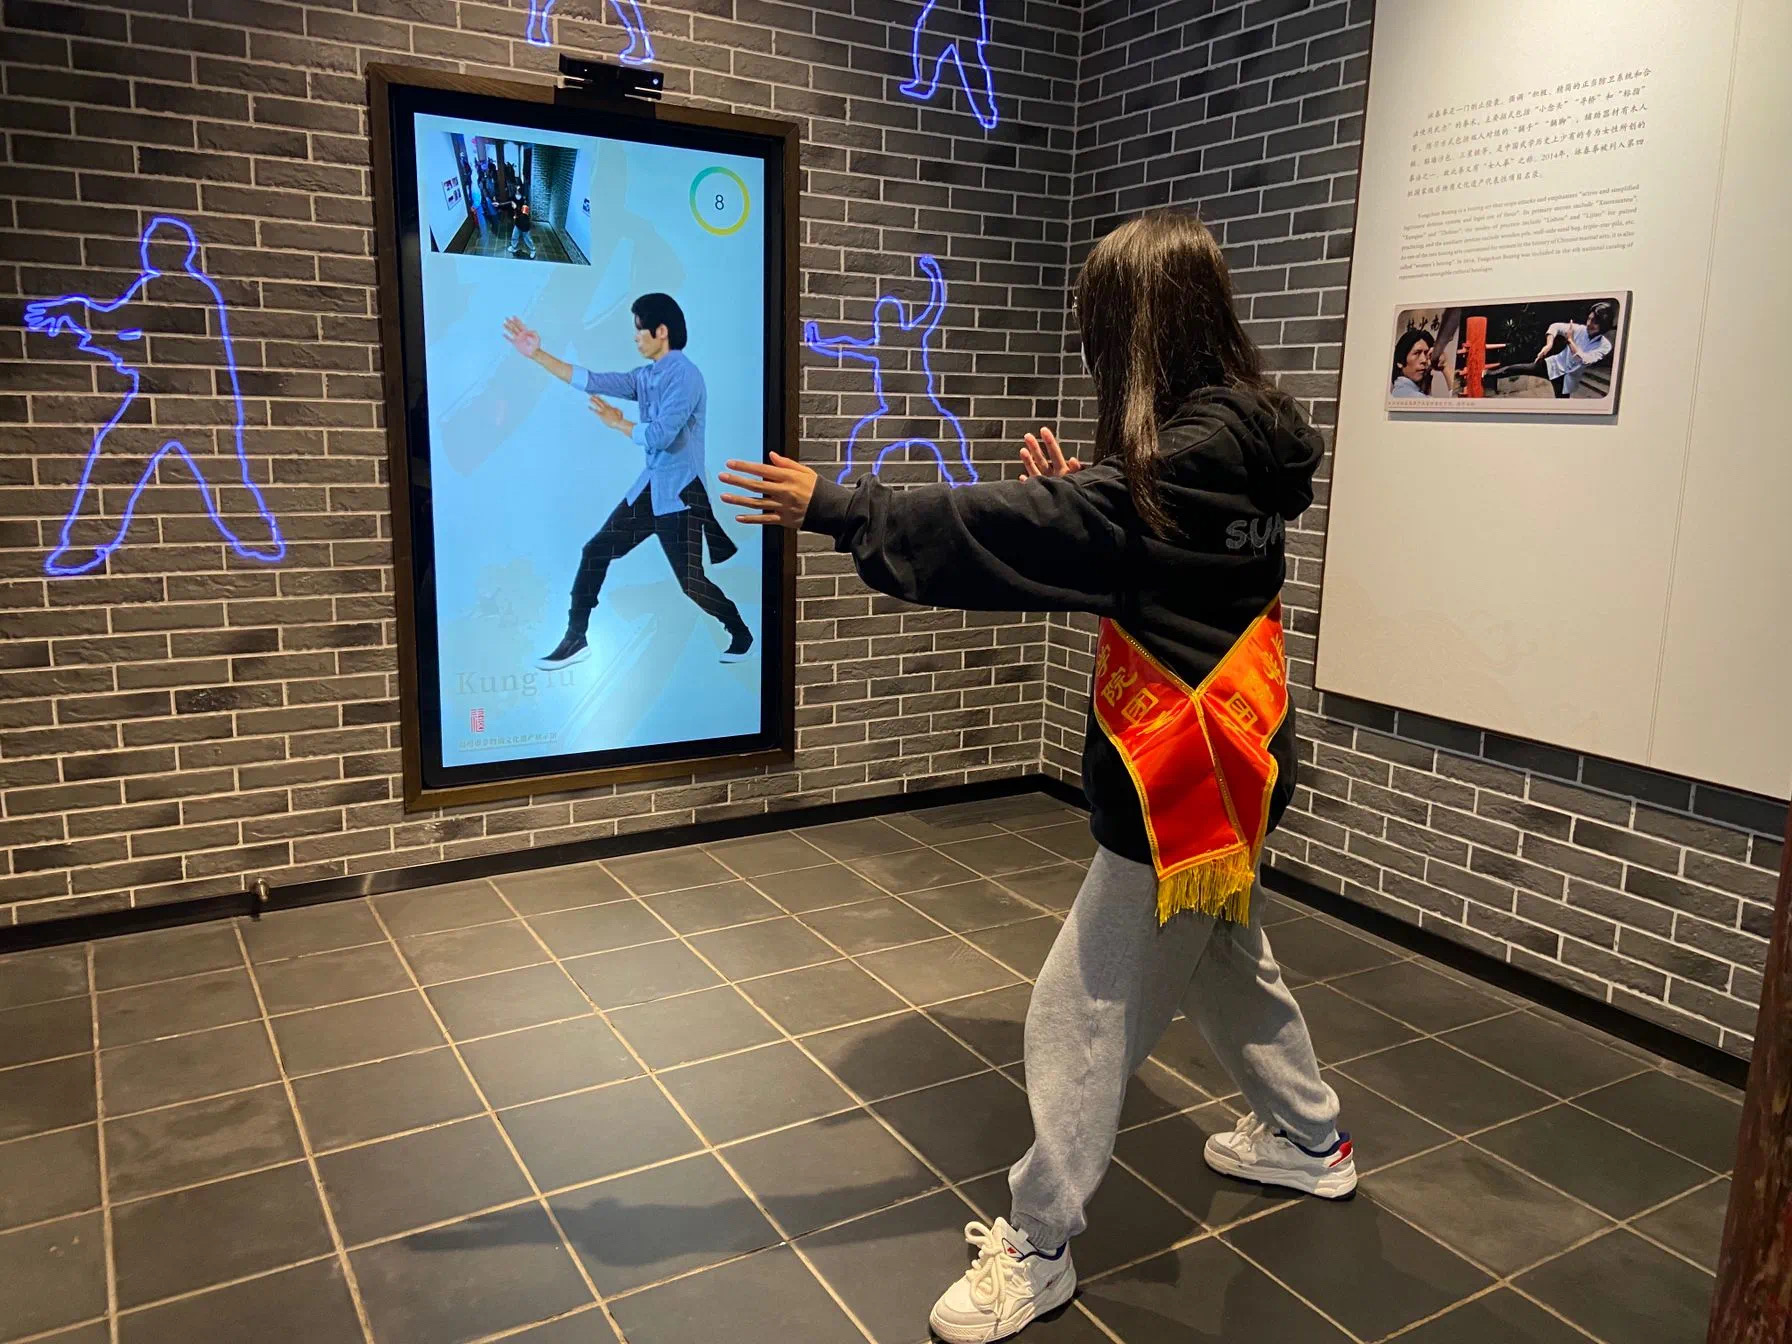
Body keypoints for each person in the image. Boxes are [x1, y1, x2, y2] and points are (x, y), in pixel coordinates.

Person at [721, 210, 1353, 1344]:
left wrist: (839, 506)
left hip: (1178, 786)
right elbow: (1149, 555)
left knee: (1079, 1012)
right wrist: (1093, 502)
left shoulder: (1179, 469)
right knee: (1226, 957)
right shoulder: (1253, 441)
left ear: (1139, 328)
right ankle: (1312, 1139)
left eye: (1100, 327)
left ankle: (1040, 1240)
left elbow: (1019, 529)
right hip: (1246, 758)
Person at [23, 215, 284, 576]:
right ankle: (84, 544)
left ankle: (85, 545)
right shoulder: (172, 287)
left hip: (191, 403)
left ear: (174, 253)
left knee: (143, 464)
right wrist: (97, 332)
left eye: (156, 248)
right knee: (125, 460)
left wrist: (78, 314)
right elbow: (133, 335)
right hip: (173, 399)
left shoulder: (178, 289)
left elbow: (119, 324)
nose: (148, 253)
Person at [503, 294, 752, 671]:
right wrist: (537, 354)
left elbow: (661, 436)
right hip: (650, 490)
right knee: (595, 551)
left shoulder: (686, 376)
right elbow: (592, 380)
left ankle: (740, 632)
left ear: (661, 331)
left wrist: (619, 423)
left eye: (639, 330)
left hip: (681, 497)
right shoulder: (646, 376)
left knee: (691, 583)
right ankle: (575, 637)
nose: (635, 337)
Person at [1484, 301, 1617, 399]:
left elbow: (1585, 360)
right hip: (1552, 365)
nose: (1589, 324)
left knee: (1562, 405)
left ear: (1604, 324)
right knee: (1518, 368)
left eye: (1594, 322)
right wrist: (1549, 344)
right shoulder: (1579, 329)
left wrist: (1570, 340)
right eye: (1589, 319)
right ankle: (1487, 374)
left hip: (1568, 379)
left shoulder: (1605, 345)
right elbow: (1556, 326)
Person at [1390, 327, 1435, 398]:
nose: (1424, 360)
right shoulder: (1414, 396)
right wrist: (1445, 366)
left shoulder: (1398, 392)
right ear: (1400, 361)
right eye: (1417, 353)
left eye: (1426, 353)